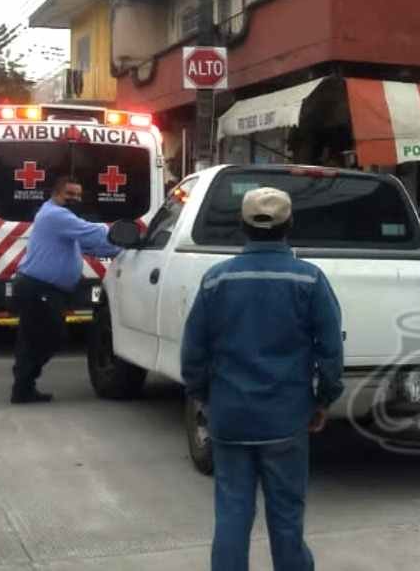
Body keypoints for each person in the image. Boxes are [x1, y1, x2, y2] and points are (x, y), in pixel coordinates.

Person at [181, 187, 344, 571]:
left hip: (229, 417)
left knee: (232, 511)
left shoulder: (215, 280)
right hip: (286, 419)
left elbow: (193, 351)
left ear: (242, 225)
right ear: (290, 224)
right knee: (286, 514)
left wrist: (203, 395)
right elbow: (330, 350)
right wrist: (324, 399)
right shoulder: (310, 280)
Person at [11, 176, 122, 404]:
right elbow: (94, 233)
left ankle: (23, 387)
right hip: (38, 287)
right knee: (49, 336)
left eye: (78, 195)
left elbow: (90, 245)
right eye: (69, 194)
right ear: (56, 194)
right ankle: (23, 385)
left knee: (33, 338)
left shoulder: (61, 220)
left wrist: (122, 250)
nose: (75, 199)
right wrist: (119, 233)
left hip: (42, 289)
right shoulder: (55, 215)